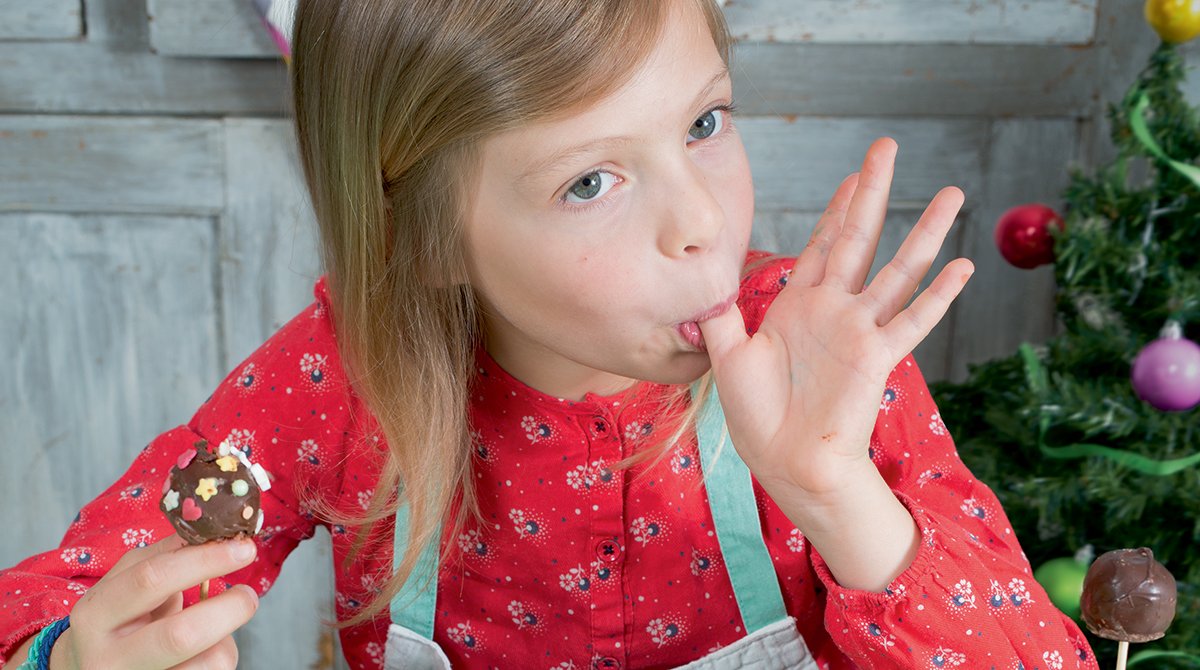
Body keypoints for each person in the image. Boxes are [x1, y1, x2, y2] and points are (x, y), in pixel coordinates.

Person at [0, 1, 1099, 668]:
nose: (703, 222)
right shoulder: (341, 379)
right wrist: (75, 651)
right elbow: (75, 587)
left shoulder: (827, 366)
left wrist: (835, 493)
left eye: (704, 123)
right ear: (423, 239)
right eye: (590, 181)